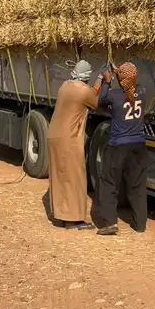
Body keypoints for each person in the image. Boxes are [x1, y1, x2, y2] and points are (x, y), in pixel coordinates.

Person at [45, 59, 102, 230]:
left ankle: (61, 214)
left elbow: (89, 93)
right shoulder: (83, 91)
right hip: (68, 139)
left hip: (54, 135)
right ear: (87, 77)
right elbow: (96, 102)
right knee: (74, 177)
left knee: (60, 177)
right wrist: (104, 80)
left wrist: (99, 78)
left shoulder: (65, 86)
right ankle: (73, 220)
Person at [95, 61, 148, 236]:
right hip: (138, 146)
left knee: (109, 183)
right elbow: (132, 84)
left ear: (120, 80)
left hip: (118, 146)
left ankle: (110, 223)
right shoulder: (142, 92)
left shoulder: (114, 96)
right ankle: (140, 224)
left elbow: (100, 102)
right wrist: (121, 73)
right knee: (137, 185)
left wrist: (107, 81)